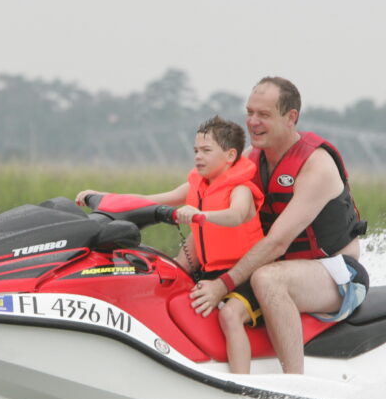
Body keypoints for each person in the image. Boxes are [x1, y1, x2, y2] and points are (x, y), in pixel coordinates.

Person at [188, 77, 369, 374]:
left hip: (337, 274)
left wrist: (222, 285)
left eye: (264, 114)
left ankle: (294, 384)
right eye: (250, 112)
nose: (252, 122)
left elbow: (277, 242)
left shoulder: (316, 165)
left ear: (290, 117)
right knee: (211, 280)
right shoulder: (250, 160)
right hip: (281, 266)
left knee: (267, 279)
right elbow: (208, 206)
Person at [76, 116, 265, 373]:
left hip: (247, 275)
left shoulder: (240, 189)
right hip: (211, 272)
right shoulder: (197, 185)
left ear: (230, 155)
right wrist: (103, 197)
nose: (198, 156)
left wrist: (201, 215)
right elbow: (150, 199)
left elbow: (236, 215)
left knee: (230, 315)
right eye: (196, 151)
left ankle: (242, 384)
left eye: (206, 151)